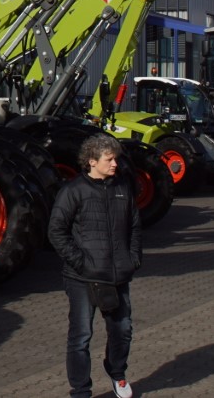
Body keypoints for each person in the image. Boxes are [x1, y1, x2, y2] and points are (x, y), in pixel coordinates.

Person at [48, 133, 142, 398]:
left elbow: (135, 226)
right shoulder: (73, 191)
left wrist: (133, 258)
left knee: (122, 331)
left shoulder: (122, 188)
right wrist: (81, 262)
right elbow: (56, 231)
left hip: (118, 275)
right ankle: (81, 391)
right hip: (82, 278)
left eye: (115, 159)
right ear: (92, 161)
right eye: (109, 159)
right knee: (81, 336)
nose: (115, 164)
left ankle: (117, 373)